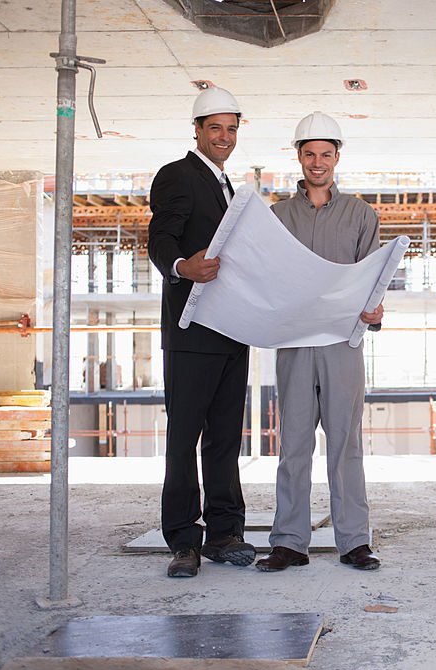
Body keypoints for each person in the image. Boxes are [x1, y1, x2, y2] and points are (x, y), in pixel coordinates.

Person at [256, 111, 384, 572]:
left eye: (325, 154)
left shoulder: (360, 214)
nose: (317, 162)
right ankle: (289, 540)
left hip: (341, 343)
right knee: (293, 442)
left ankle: (354, 540)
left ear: (336, 157)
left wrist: (375, 309)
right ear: (298, 157)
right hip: (294, 342)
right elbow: (266, 278)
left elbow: (374, 276)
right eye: (309, 154)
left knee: (346, 442)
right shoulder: (277, 217)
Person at [147, 87, 255, 578]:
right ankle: (184, 541)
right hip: (192, 332)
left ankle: (225, 533)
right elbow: (161, 238)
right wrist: (180, 267)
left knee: (225, 438)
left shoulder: (229, 186)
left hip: (232, 331)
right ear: (197, 130)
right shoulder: (178, 175)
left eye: (231, 129)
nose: (224, 138)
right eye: (216, 128)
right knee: (184, 436)